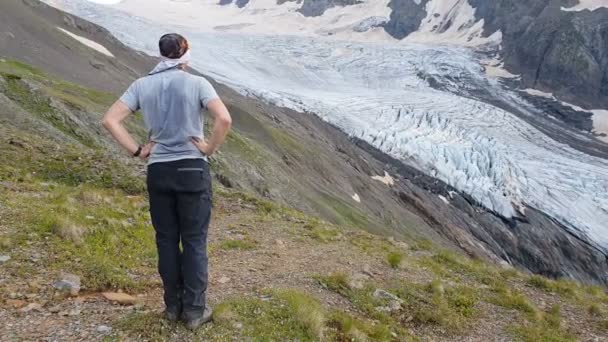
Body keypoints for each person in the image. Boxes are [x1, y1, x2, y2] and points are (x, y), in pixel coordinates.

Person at [102, 33, 232, 329]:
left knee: (166, 240)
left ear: (161, 54)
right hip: (192, 168)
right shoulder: (198, 83)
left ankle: (172, 307)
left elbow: (110, 120)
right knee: (195, 241)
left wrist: (138, 150)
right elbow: (223, 119)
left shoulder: (141, 85)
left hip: (158, 170)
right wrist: (209, 148)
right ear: (186, 54)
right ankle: (195, 311)